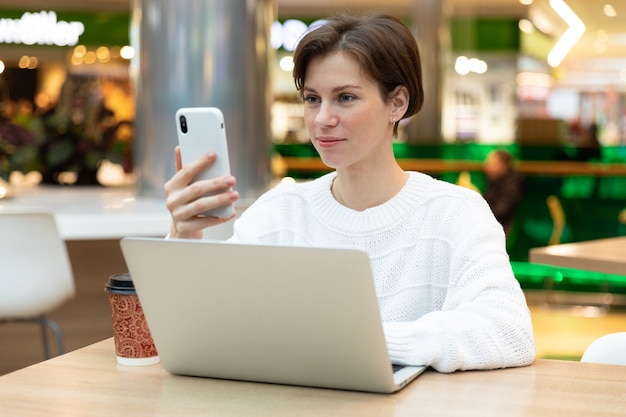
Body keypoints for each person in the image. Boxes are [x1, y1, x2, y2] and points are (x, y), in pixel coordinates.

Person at [164, 13, 535, 373]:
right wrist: (183, 237)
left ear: (397, 104)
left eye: (345, 98)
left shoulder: (456, 212)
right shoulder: (280, 212)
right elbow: (208, 324)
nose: (322, 118)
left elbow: (509, 332)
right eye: (312, 99)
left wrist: (362, 343)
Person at [483, 149, 525, 235]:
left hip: (501, 231)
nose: (487, 167)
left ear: (503, 165)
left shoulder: (511, 186)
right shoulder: (496, 182)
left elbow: (498, 212)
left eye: (492, 164)